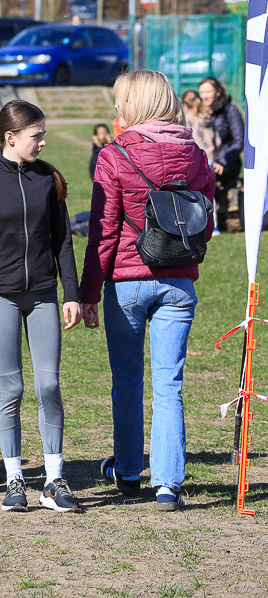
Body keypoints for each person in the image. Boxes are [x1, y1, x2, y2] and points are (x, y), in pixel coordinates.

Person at [81, 71, 215, 512]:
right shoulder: (195, 155)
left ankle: (126, 470)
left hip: (127, 282)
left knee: (126, 379)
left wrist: (89, 291)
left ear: (134, 105)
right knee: (169, 383)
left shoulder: (114, 155)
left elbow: (103, 231)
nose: (116, 111)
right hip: (178, 281)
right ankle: (169, 484)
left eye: (121, 102)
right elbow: (206, 222)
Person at [0, 99, 83, 513]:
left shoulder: (48, 179)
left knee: (49, 386)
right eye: (35, 135)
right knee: (12, 388)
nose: (42, 142)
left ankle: (54, 480)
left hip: (43, 296)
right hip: (0, 296)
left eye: (43, 135)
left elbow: (62, 241)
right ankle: (14, 480)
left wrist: (72, 294)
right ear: (10, 138)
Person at [198, 78, 241, 231]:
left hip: (227, 163)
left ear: (218, 92)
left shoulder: (230, 111)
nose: (205, 96)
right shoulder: (199, 113)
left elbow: (238, 141)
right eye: (202, 92)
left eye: (208, 91)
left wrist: (222, 160)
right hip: (205, 161)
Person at [180, 89, 217, 165]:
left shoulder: (187, 119)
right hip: (210, 157)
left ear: (185, 105)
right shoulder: (207, 117)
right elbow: (218, 141)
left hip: (195, 158)